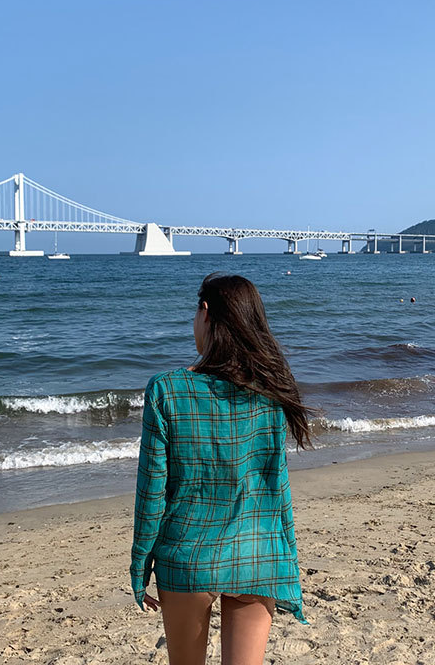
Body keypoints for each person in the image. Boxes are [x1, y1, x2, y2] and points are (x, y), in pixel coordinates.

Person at [130, 272, 313, 665]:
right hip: (257, 552)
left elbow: (151, 493)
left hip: (187, 555)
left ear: (206, 312)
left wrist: (140, 565)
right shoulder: (270, 391)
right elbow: (277, 489)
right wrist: (286, 559)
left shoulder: (166, 390)